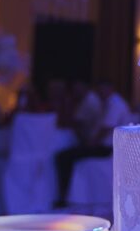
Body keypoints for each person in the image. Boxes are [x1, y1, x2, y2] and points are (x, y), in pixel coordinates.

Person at [53, 79, 133, 207]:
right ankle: (66, 195)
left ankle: (63, 196)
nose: (101, 93)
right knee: (66, 155)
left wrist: (90, 143)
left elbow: (106, 129)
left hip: (108, 148)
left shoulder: (115, 104)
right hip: (105, 146)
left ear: (110, 89)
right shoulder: (107, 103)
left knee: (64, 157)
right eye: (99, 91)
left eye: (103, 90)